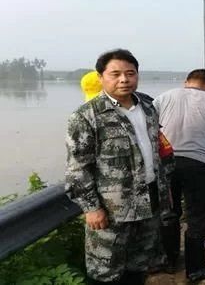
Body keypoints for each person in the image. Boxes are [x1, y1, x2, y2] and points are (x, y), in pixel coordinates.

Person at [65, 49, 172, 285]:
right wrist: (91, 207)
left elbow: (155, 152)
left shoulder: (147, 107)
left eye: (130, 73)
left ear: (137, 75)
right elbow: (77, 168)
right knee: (105, 272)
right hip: (112, 210)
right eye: (115, 74)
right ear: (101, 77)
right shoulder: (86, 116)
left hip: (149, 202)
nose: (124, 79)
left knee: (140, 266)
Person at [153, 69, 205, 282]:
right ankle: (196, 269)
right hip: (200, 166)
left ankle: (169, 261)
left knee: (168, 213)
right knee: (198, 217)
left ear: (186, 82)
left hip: (165, 164)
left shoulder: (163, 98)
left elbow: (149, 131)